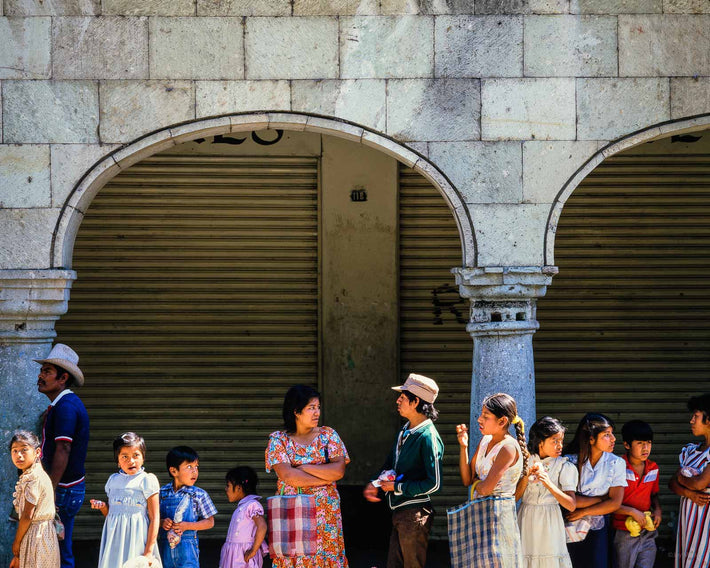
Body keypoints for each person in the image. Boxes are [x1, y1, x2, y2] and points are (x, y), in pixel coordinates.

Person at [363, 374, 443, 568]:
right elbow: (391, 464)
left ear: (416, 401)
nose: (398, 400)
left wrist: (397, 487)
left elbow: (434, 484)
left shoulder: (428, 436)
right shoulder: (405, 430)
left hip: (415, 513)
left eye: (403, 397)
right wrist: (375, 483)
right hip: (401, 512)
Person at [266, 384, 350, 568]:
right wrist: (326, 477)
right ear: (296, 411)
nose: (317, 412)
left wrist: (303, 466)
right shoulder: (278, 440)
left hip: (326, 519)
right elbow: (289, 476)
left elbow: (339, 471)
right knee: (294, 557)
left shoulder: (329, 435)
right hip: (293, 515)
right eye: (311, 408)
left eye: (318, 407)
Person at [456, 392, 528, 567]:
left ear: (502, 421)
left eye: (486, 416)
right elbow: (467, 479)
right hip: (480, 514)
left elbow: (486, 489)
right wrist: (463, 447)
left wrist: (477, 483)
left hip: (498, 517)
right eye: (481, 415)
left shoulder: (509, 447)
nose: (480, 419)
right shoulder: (485, 440)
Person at [35, 343, 89, 568]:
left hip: (64, 490)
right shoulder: (62, 405)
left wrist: (51, 489)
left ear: (63, 378)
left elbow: (63, 449)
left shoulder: (66, 407)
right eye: (42, 370)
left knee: (58, 549)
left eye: (47, 372)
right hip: (65, 488)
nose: (40, 376)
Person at [563, 413, 626, 568]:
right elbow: (568, 500)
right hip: (568, 522)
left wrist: (583, 511)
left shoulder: (616, 463)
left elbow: (615, 503)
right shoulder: (568, 461)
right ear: (591, 439)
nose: (613, 439)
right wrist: (602, 499)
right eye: (606, 435)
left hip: (599, 528)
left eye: (612, 434)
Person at [90, 432, 160, 568]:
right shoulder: (113, 480)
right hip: (114, 540)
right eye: (125, 456)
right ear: (117, 460)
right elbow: (111, 515)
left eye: (136, 455)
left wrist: (149, 552)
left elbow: (155, 517)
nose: (131, 461)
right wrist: (103, 507)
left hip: (137, 539)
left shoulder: (147, 480)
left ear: (143, 458)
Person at [517, 416, 577, 568]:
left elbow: (571, 505)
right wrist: (525, 477)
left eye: (561, 441)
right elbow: (514, 497)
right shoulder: (525, 462)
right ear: (540, 442)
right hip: (526, 518)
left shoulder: (563, 466)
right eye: (554, 441)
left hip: (550, 521)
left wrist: (548, 482)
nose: (560, 445)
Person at [612, 420, 661, 568]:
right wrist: (632, 512)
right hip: (622, 531)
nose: (646, 448)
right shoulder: (617, 466)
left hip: (647, 530)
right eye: (640, 443)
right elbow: (607, 502)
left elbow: (653, 495)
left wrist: (657, 509)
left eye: (649, 442)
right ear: (627, 445)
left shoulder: (653, 468)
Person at [669, 393, 710, 568]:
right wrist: (688, 493)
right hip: (689, 523)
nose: (691, 421)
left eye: (696, 416)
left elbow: (700, 483)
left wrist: (681, 477)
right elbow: (671, 484)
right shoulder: (690, 451)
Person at [158, 446, 217, 568]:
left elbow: (210, 522)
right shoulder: (162, 493)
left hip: (188, 552)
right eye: (189, 467)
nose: (194, 471)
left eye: (196, 467)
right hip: (164, 551)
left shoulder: (199, 494)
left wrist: (187, 526)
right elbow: (150, 518)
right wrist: (161, 522)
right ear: (174, 471)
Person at [9, 430, 60, 568]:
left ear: (37, 452)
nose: (19, 455)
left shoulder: (33, 478)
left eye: (24, 450)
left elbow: (27, 516)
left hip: (37, 536)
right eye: (14, 451)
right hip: (43, 534)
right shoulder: (36, 474)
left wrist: (17, 543)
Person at [220, 465, 268, 568]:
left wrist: (253, 550)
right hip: (234, 555)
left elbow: (262, 526)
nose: (226, 489)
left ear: (238, 488)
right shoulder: (242, 506)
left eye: (228, 485)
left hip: (243, 556)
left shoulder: (252, 505)